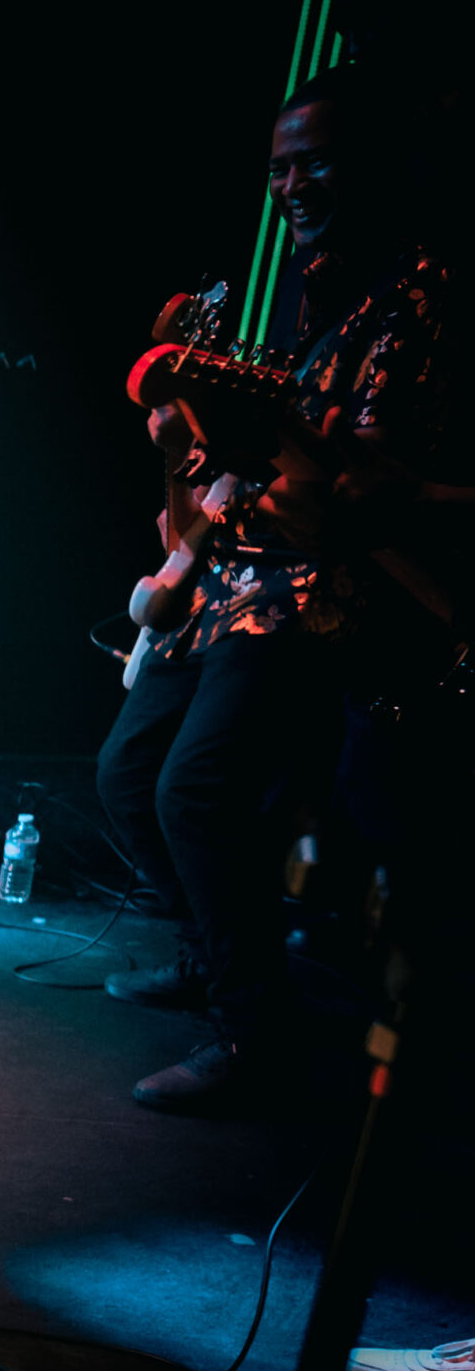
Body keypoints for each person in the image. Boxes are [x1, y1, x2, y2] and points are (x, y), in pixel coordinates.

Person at [96, 69, 446, 1113]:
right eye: (279, 169)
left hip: (320, 589)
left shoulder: (413, 294)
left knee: (193, 790)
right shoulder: (303, 297)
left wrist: (296, 463)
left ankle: (254, 1033)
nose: (291, 187)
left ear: (370, 167)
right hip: (234, 573)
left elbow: (368, 487)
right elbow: (226, 484)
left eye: (314, 163)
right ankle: (213, 954)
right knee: (126, 774)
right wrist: (186, 444)